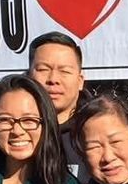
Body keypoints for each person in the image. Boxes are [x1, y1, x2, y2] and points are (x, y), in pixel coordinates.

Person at [29, 31, 87, 169]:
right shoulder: (15, 132)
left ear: (80, 81)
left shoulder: (96, 129)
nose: (53, 79)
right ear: (28, 77)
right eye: (43, 69)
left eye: (65, 71)